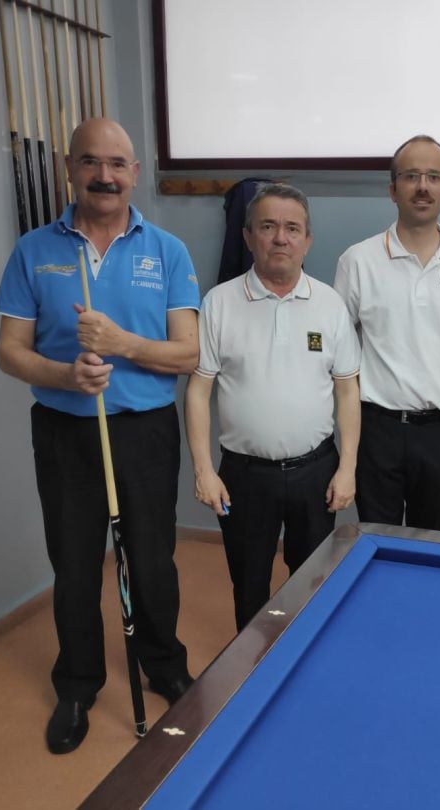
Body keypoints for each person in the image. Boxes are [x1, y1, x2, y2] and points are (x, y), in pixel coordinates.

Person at [0, 118, 200, 755]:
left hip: (144, 430)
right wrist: (65, 373)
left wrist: (121, 345)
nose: (104, 175)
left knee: (153, 556)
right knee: (75, 561)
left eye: (117, 163)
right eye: (91, 162)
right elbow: (9, 352)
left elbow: (188, 354)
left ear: (135, 173)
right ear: (70, 168)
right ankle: (78, 683)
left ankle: (163, 664)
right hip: (65, 430)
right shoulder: (34, 250)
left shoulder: (167, 250)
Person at [186, 183, 361, 631]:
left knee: (312, 581)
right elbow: (198, 391)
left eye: (292, 228)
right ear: (248, 237)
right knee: (248, 586)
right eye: (268, 226)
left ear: (307, 240)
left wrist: (348, 469)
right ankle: (248, 671)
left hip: (316, 472)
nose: (280, 238)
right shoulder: (219, 303)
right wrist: (205, 470)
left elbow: (347, 391)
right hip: (243, 476)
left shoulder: (330, 304)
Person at [334, 135, 440, 530]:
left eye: (434, 177)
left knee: (428, 539)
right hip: (376, 429)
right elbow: (339, 350)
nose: (423, 186)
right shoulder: (358, 260)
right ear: (393, 189)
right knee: (377, 537)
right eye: (412, 176)